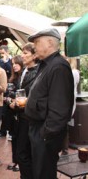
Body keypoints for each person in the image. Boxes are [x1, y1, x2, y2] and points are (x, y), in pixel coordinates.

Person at [25, 28, 74, 179]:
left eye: (37, 42)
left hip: (45, 134)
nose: (34, 46)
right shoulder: (46, 64)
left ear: (51, 43)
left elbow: (60, 109)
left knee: (44, 174)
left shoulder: (58, 66)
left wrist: (44, 135)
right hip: (38, 129)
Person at [8, 43, 39, 178]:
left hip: (30, 118)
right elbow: (21, 92)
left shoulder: (38, 72)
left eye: (25, 53)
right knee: (22, 152)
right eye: (22, 52)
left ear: (34, 55)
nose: (22, 55)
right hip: (21, 117)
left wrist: (16, 104)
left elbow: (34, 97)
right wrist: (13, 99)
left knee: (23, 153)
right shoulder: (25, 71)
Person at [5, 55, 23, 172]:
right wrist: (8, 100)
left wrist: (14, 101)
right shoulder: (12, 78)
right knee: (14, 139)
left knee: (20, 139)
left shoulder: (24, 78)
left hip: (20, 113)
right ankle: (15, 161)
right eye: (13, 63)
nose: (14, 65)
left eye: (16, 63)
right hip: (11, 112)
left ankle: (20, 163)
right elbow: (7, 95)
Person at [61, 57, 80, 155]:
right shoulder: (75, 72)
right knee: (64, 126)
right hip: (69, 101)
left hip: (66, 102)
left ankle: (64, 150)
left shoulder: (72, 72)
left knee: (63, 126)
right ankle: (64, 149)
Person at [0, 44, 13, 138]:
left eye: (2, 52)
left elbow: (10, 70)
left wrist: (6, 61)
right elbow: (0, 70)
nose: (1, 54)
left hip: (11, 86)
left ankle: (11, 131)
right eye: (1, 53)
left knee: (10, 111)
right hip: (2, 86)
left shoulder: (12, 60)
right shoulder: (0, 61)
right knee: (3, 111)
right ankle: (2, 131)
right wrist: (3, 61)